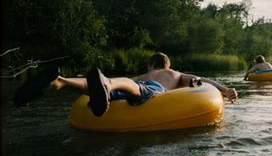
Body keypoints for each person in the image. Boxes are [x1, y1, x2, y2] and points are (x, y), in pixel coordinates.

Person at [14, 52, 238, 117]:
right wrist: (223, 89)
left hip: (136, 90)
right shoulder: (175, 74)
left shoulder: (149, 74)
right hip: (147, 94)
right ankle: (103, 86)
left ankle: (62, 82)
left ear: (152, 64)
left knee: (121, 85)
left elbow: (199, 81)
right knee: (125, 86)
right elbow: (200, 80)